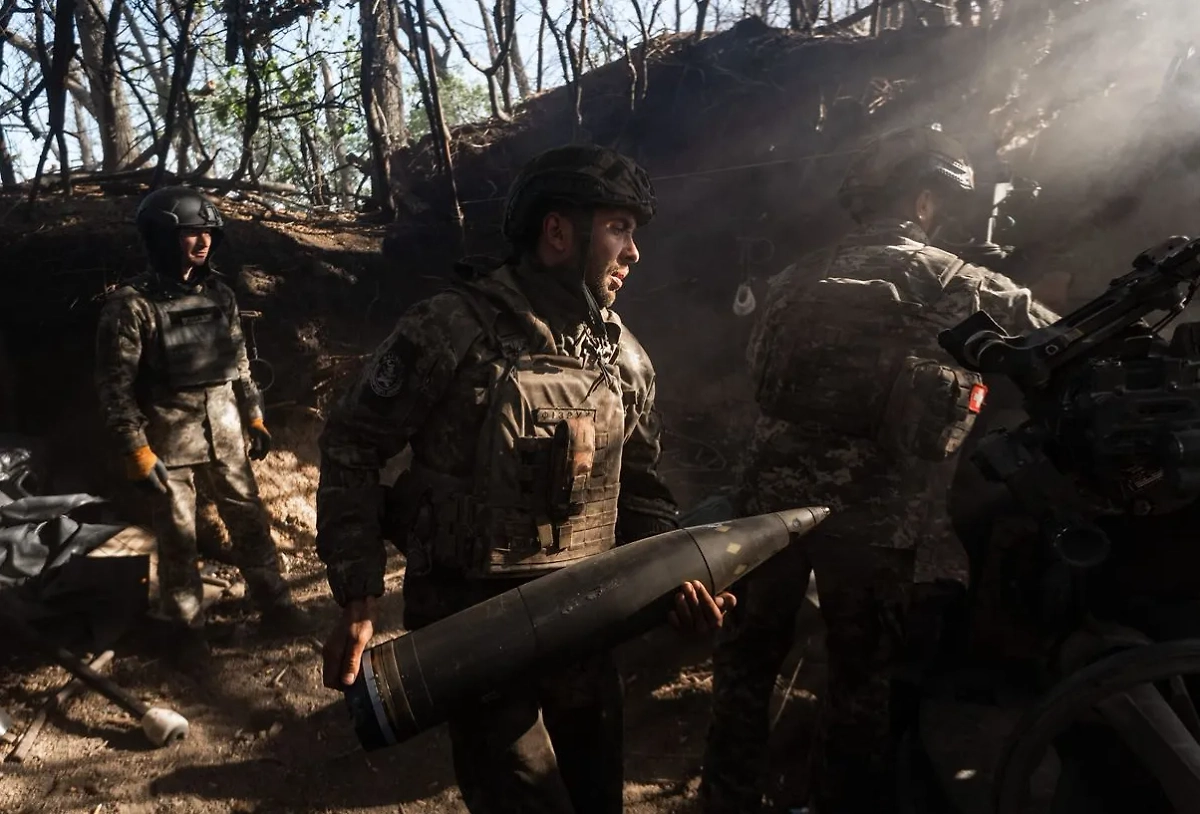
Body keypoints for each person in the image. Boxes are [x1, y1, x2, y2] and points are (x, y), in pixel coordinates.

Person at [316, 143, 734, 814]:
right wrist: (358, 595)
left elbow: (646, 491)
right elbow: (352, 445)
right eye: (618, 227)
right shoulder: (449, 330)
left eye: (635, 232)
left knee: (597, 799)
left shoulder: (624, 359)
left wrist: (678, 581)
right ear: (558, 231)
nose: (633, 252)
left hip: (585, 625)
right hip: (474, 636)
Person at [699, 126, 1058, 814]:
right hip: (876, 522)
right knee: (858, 683)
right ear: (925, 201)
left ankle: (725, 799)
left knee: (744, 669)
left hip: (762, 513)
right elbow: (1056, 341)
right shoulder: (963, 283)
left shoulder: (791, 279)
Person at [94, 186, 306, 666]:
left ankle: (276, 604)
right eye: (191, 233)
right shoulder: (131, 306)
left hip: (226, 428)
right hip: (168, 437)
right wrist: (135, 448)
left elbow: (241, 362)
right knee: (177, 539)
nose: (203, 241)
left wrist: (253, 413)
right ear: (163, 239)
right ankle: (187, 632)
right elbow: (114, 387)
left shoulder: (220, 294)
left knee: (250, 520)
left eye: (208, 232)